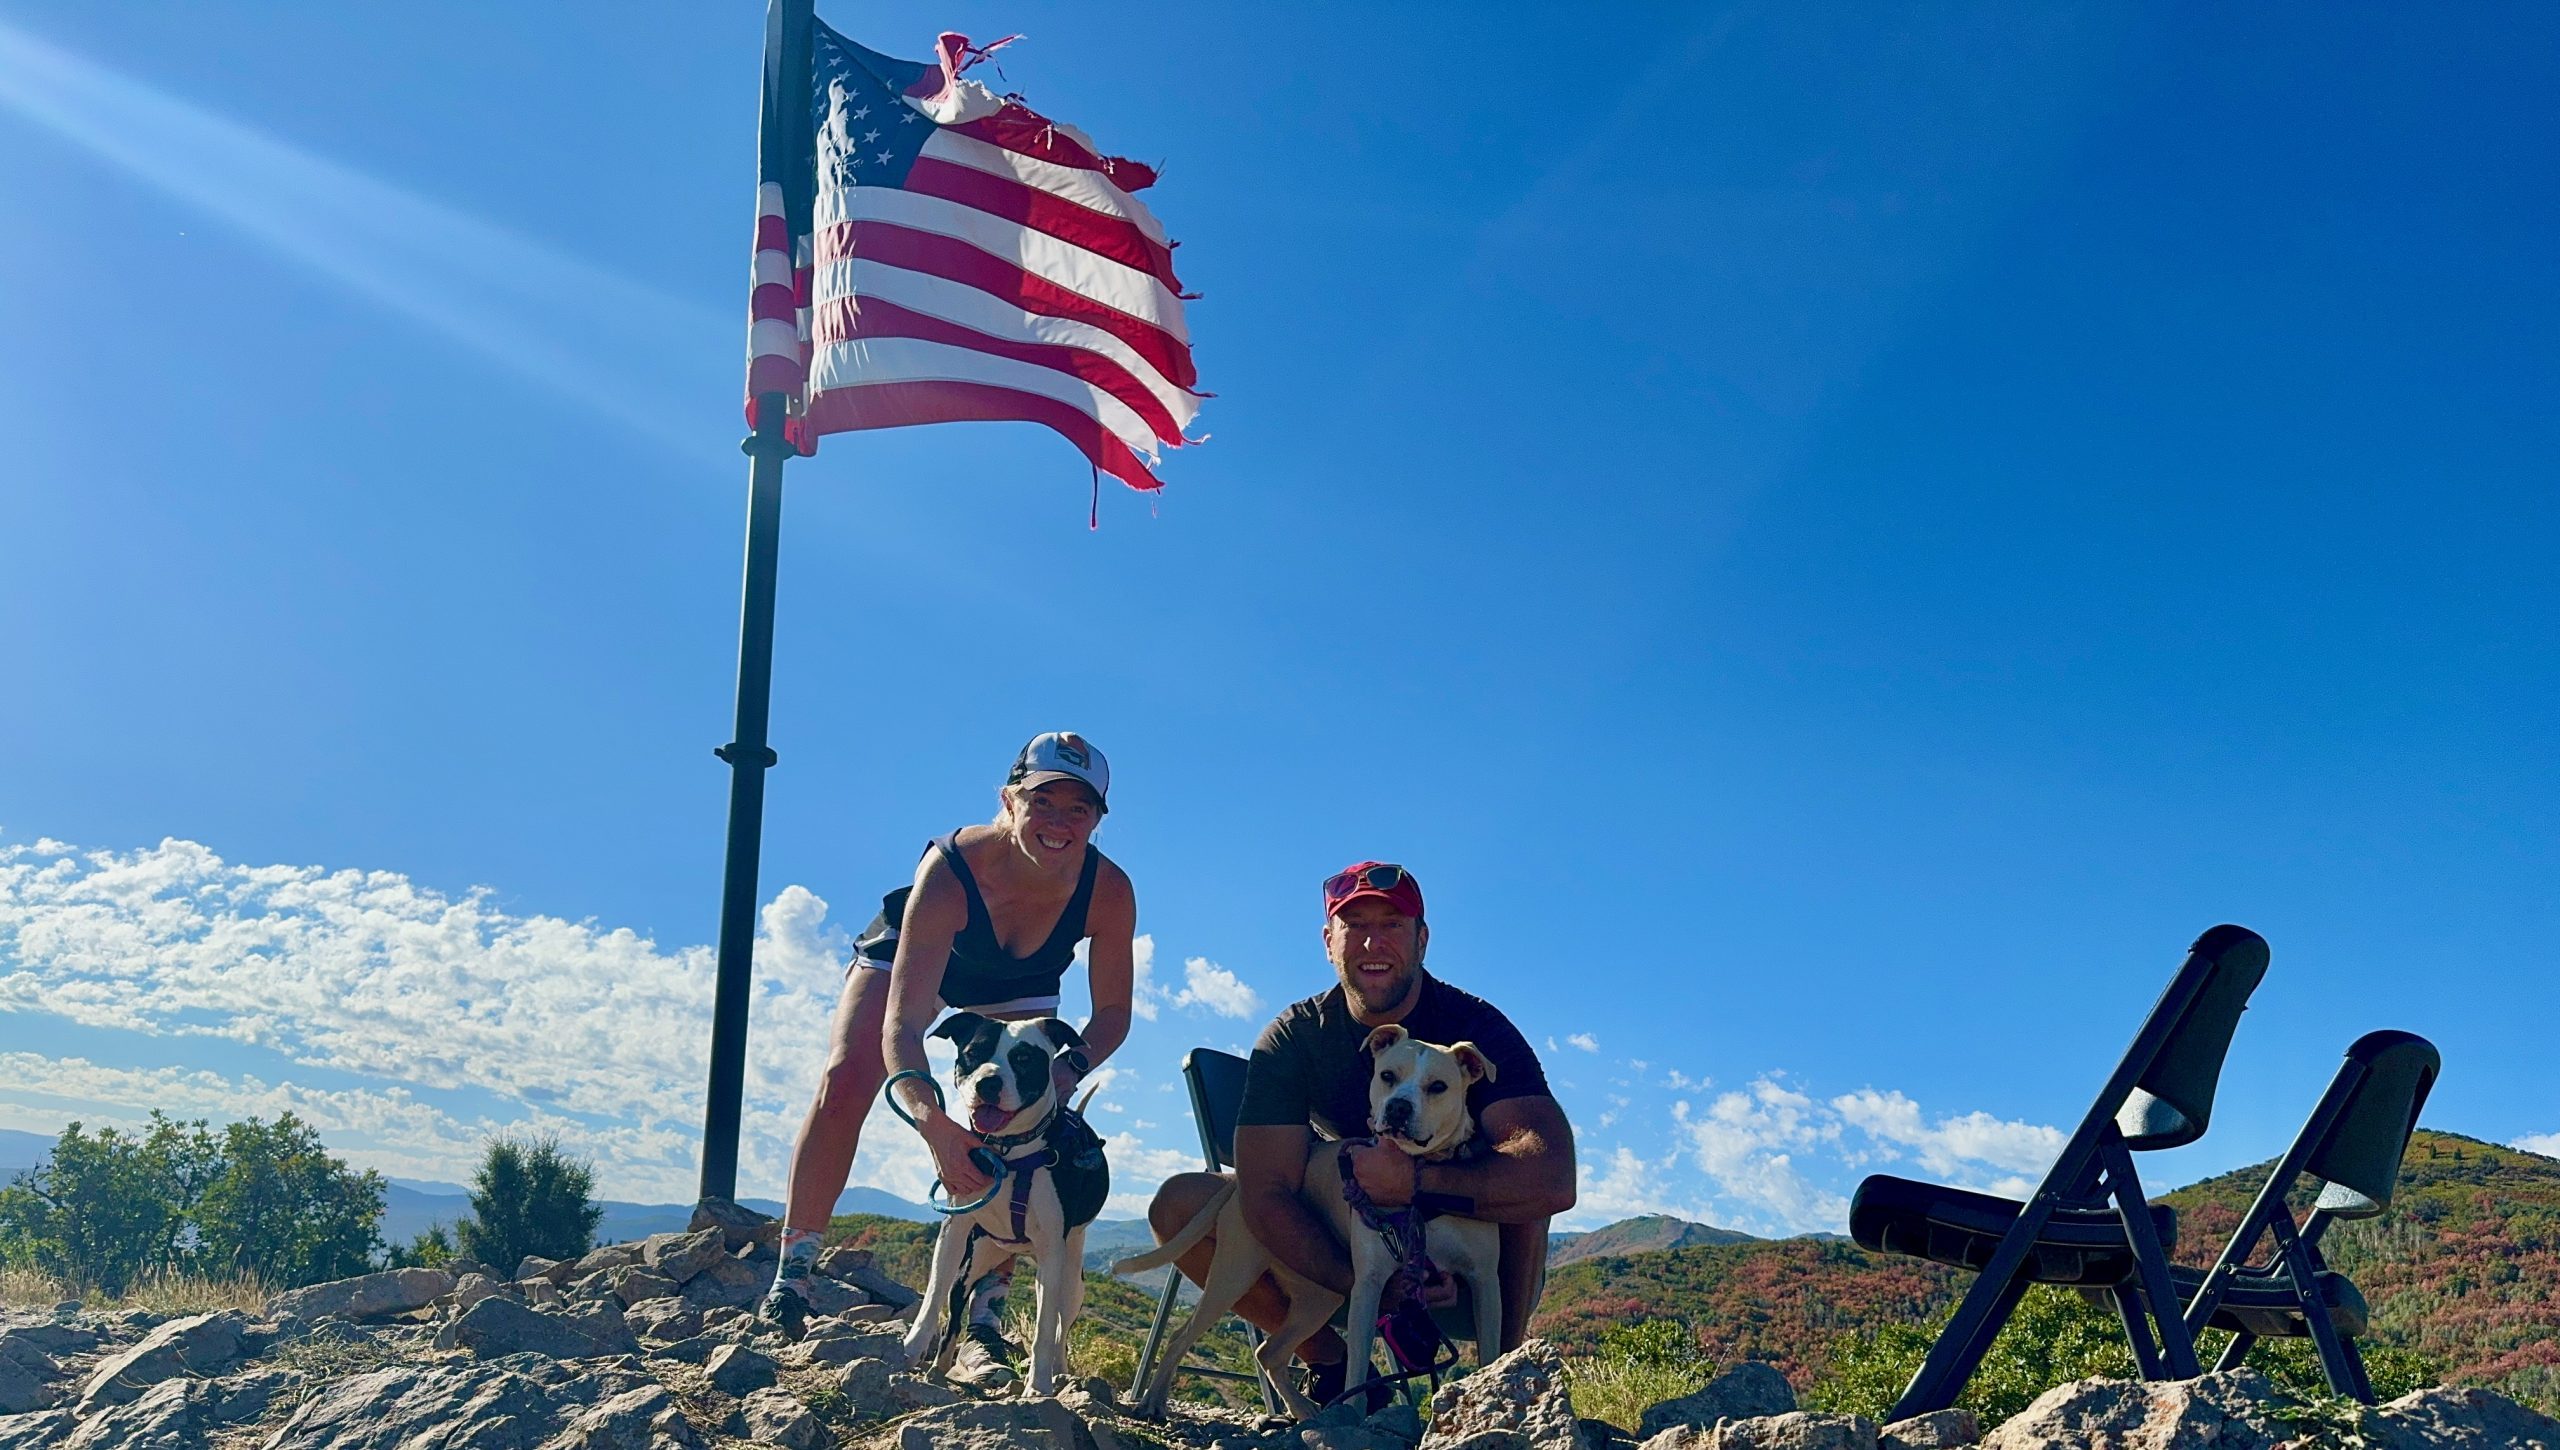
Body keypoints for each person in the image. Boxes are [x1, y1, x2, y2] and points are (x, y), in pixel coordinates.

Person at [764, 731, 1137, 1390]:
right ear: (1008, 799)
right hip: (917, 954)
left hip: (1016, 982)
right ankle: (794, 1276)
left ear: (1098, 819)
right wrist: (935, 1125)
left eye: (1079, 809)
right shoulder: (952, 867)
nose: (1059, 822)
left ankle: (983, 1322)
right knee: (847, 1076)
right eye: (1042, 801)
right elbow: (904, 1025)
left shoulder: (1108, 890)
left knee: (1020, 1134)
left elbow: (1111, 1015)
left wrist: (1067, 1069)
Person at [1145, 861, 1576, 1404]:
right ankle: (1330, 1364)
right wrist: (1369, 1281)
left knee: (1525, 1194)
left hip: (1463, 1273)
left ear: (1422, 939)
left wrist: (1418, 1183)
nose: (1374, 941)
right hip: (1337, 1261)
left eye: (1393, 925)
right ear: (1330, 942)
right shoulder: (1295, 1036)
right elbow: (1264, 1190)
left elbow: (1554, 1178)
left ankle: (1506, 1384)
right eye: (1355, 926)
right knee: (1179, 1202)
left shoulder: (1478, 1029)